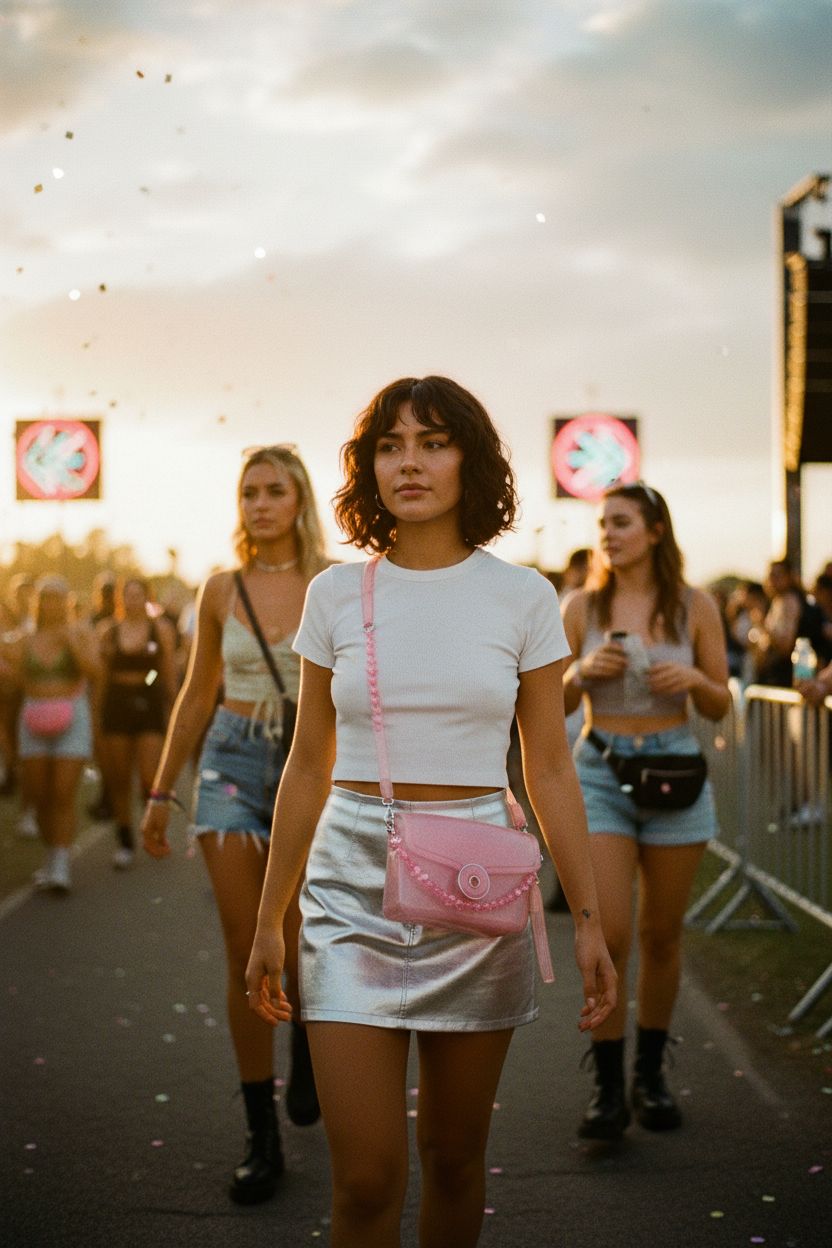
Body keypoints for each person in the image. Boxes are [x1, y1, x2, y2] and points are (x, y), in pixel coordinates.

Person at [244, 376, 616, 1248]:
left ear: (471, 461)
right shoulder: (335, 595)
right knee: (368, 1178)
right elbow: (306, 764)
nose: (409, 461)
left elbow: (550, 766)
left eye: (434, 441)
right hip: (348, 890)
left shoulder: (523, 596)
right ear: (368, 466)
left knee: (454, 1157)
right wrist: (272, 917)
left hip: (477, 882)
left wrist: (589, 921)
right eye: (389, 444)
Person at [140, 445, 329, 1205]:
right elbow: (195, 693)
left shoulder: (333, 582)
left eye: (274, 491)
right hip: (228, 763)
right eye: (248, 491)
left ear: (299, 499)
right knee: (246, 942)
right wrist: (161, 791)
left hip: (311, 765)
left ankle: (311, 1039)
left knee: (309, 931)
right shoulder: (219, 589)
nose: (259, 504)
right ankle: (261, 1133)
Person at [561, 481, 729, 1141]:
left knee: (662, 934)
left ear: (656, 530)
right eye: (603, 523)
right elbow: (552, 701)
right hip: (600, 768)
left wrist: (695, 682)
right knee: (611, 933)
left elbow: (719, 704)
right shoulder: (581, 605)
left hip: (674, 771)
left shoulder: (695, 607)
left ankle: (649, 1075)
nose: (608, 533)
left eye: (622, 522)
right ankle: (607, 1087)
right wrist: (581, 672)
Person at [1, 575, 100, 892]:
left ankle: (60, 865)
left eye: (57, 598)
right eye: (45, 598)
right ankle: (51, 854)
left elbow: (96, 672)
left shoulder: (79, 634)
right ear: (38, 602)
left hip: (72, 718)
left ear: (66, 602)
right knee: (39, 794)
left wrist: (72, 646)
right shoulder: (27, 638)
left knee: (61, 793)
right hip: (33, 719)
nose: (51, 604)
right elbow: (14, 673)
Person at [97, 578, 178, 868]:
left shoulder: (161, 630)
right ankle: (125, 840)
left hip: (148, 706)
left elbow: (164, 672)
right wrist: (97, 714)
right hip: (116, 706)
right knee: (119, 778)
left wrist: (170, 704)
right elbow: (103, 677)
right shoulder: (109, 630)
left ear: (146, 597)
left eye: (138, 594)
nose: (133, 599)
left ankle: (151, 825)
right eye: (127, 594)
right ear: (121, 598)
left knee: (148, 776)